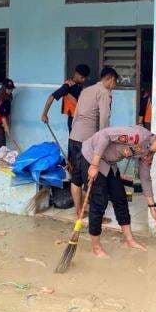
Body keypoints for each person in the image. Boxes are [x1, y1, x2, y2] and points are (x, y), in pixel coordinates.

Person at [78, 124, 156, 257]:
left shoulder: (148, 152)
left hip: (109, 163)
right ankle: (96, 247)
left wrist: (152, 207)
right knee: (99, 202)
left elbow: (145, 178)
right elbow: (104, 135)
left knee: (120, 198)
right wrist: (94, 165)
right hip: (92, 156)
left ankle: (130, 240)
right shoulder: (137, 136)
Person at [68, 66, 118, 217]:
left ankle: (79, 211)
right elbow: (104, 119)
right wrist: (104, 141)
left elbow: (75, 114)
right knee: (91, 178)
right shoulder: (104, 92)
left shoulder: (86, 90)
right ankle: (91, 214)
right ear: (109, 79)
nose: (114, 86)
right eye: (115, 82)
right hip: (87, 141)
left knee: (76, 177)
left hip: (74, 137)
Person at [41, 64, 90, 132]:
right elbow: (51, 97)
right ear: (76, 74)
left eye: (85, 78)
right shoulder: (67, 87)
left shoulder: (78, 85)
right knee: (74, 141)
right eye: (82, 77)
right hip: (73, 119)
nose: (84, 80)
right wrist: (44, 114)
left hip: (80, 118)